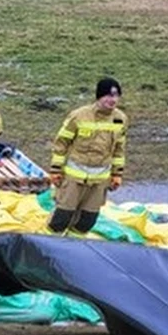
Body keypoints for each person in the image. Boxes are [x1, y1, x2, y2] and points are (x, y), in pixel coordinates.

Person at [46, 78, 128, 237]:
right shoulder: (79, 116)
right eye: (108, 95)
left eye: (116, 96)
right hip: (73, 179)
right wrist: (55, 170)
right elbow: (61, 143)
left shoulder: (121, 119)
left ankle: (73, 249)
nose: (113, 100)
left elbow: (119, 149)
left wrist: (117, 174)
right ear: (99, 96)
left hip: (99, 182)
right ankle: (47, 248)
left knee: (87, 220)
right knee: (61, 218)